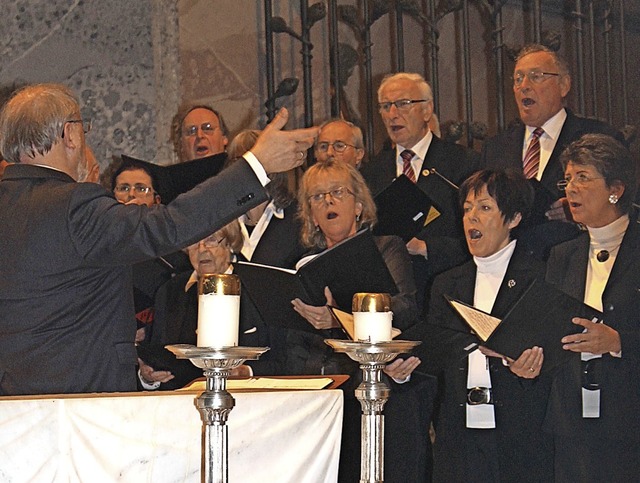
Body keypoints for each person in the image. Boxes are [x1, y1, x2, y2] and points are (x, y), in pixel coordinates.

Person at [0, 83, 317, 395]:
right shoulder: (74, 206)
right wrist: (256, 165)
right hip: (80, 407)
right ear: (70, 134)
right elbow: (168, 225)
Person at [399, 168, 552, 482]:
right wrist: (403, 371)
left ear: (514, 219)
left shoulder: (540, 277)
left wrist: (531, 367)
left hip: (521, 434)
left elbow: (553, 354)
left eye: (484, 208)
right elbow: (433, 359)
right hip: (458, 434)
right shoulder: (446, 284)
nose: (471, 218)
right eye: (467, 209)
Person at [291, 159, 432, 483]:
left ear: (358, 204)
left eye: (337, 192)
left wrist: (340, 317)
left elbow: (405, 306)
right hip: (321, 401)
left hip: (377, 390)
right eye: (317, 196)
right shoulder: (301, 266)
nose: (327, 201)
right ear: (311, 214)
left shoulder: (386, 247)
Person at [544, 133, 639, 481]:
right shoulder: (562, 255)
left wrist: (618, 342)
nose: (571, 189)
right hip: (570, 418)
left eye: (583, 177)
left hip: (631, 415)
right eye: (567, 179)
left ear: (616, 188)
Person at [480, 44, 625, 260]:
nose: (524, 86)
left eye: (535, 77)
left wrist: (584, 210)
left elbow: (625, 201)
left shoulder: (598, 136)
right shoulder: (495, 148)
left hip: (580, 263)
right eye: (518, 79)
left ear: (564, 85)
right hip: (515, 271)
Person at [361, 72, 479, 314]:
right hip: (391, 301)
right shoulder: (371, 172)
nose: (393, 114)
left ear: (427, 110)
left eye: (403, 104)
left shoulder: (462, 163)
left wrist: (424, 247)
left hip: (445, 292)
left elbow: (481, 236)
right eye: (385, 106)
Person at [227, 129, 305, 268]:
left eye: (255, 162)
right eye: (240, 162)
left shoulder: (298, 218)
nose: (246, 170)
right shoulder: (222, 218)